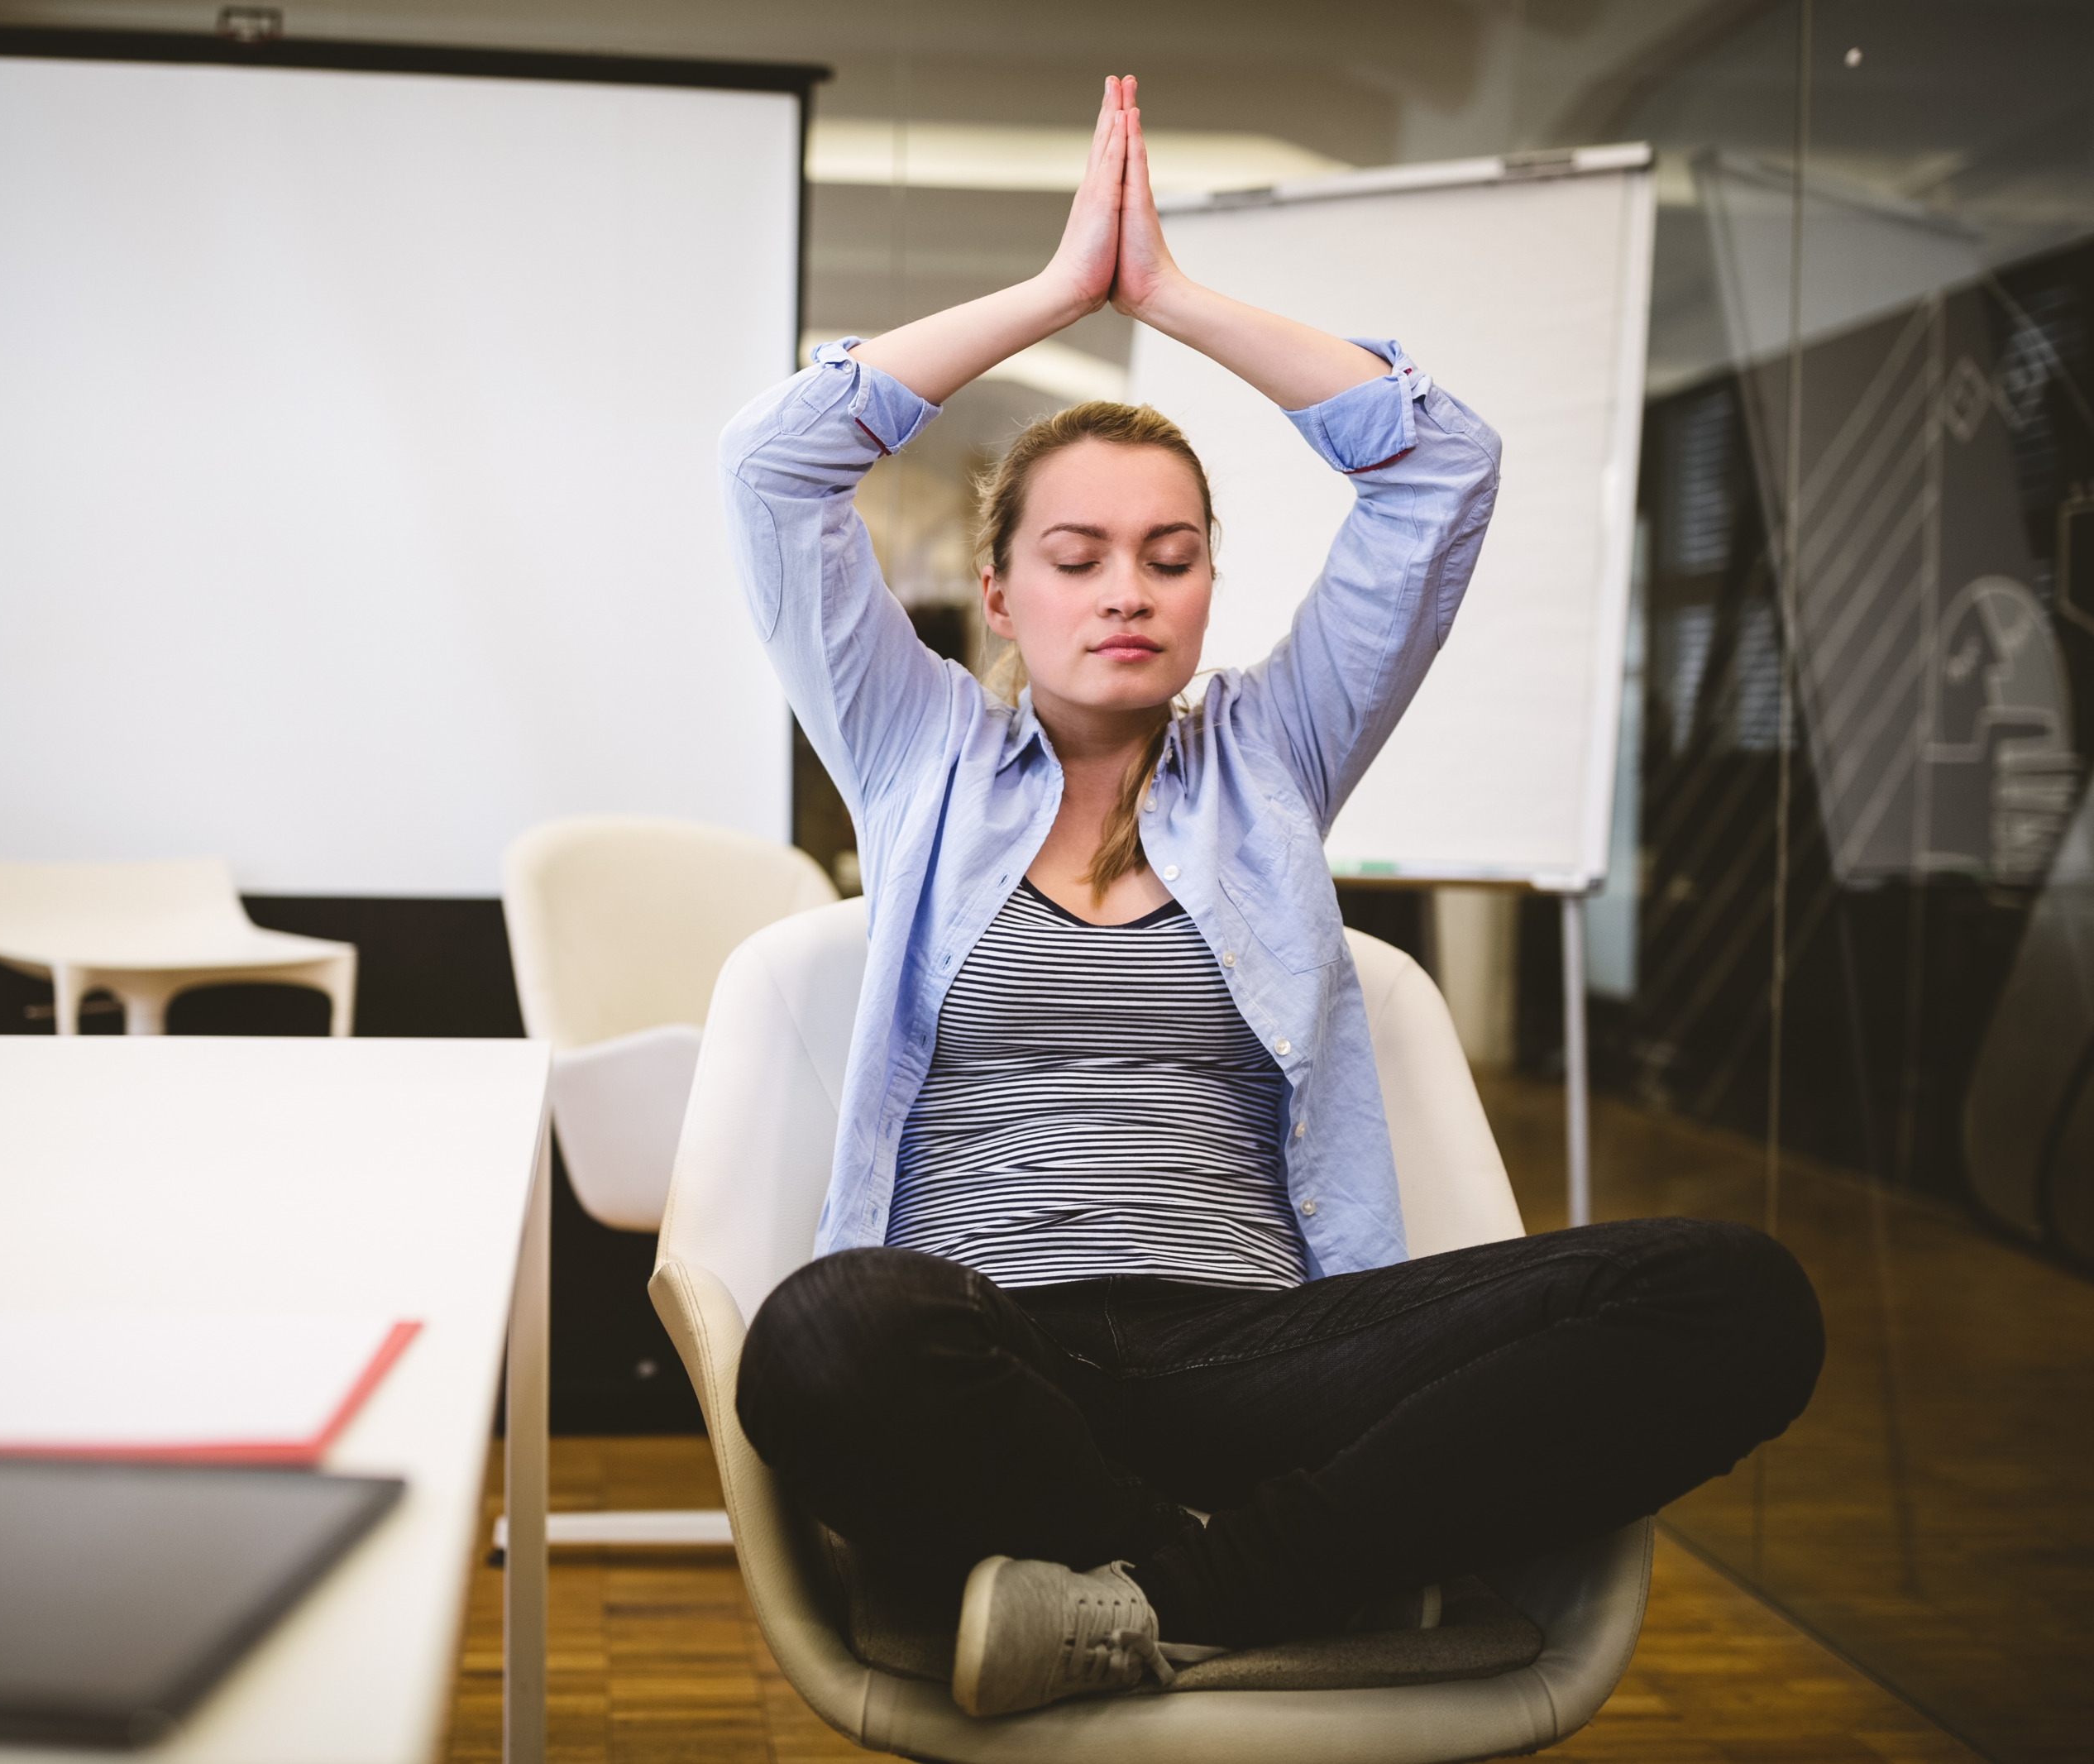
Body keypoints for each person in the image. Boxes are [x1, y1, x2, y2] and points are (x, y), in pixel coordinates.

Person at [716, 76, 1824, 1720]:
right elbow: (771, 463)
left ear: (1209, 583)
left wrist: (1170, 297)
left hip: (1255, 1357)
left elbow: (1439, 467)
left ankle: (1169, 1591)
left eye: (1170, 554)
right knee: (820, 1335)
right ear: (999, 584)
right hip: (988, 1348)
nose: (1127, 590)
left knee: (1739, 1294)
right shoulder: (916, 751)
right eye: (1077, 553)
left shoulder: (1273, 756)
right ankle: (1276, 1575)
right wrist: (1056, 294)